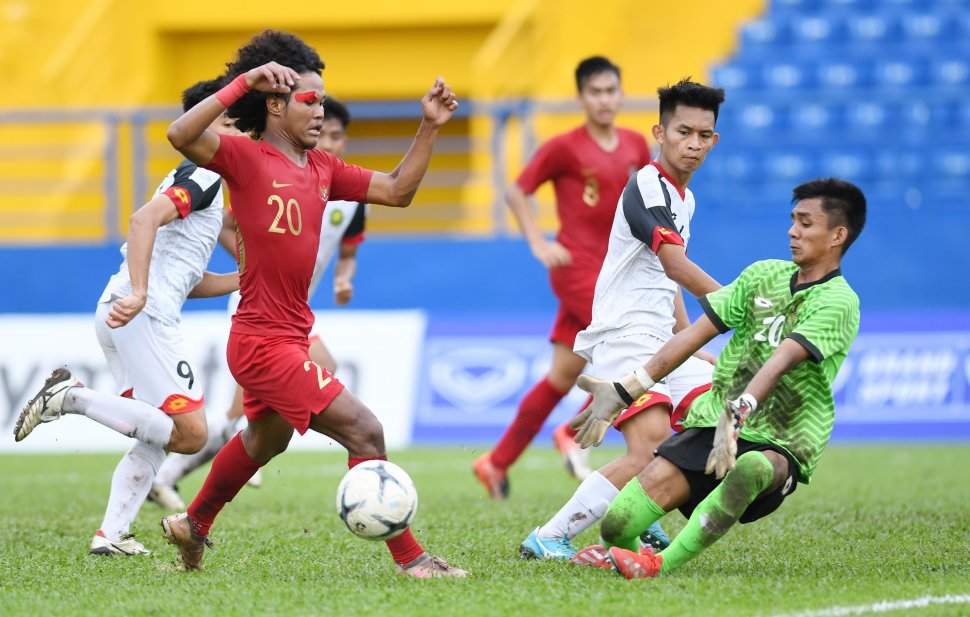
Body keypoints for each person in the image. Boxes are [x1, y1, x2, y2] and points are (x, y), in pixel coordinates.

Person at [158, 30, 465, 578]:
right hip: (259, 342)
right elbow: (180, 132)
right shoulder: (243, 157)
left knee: (263, 440)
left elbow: (397, 190)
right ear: (275, 104)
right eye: (309, 99)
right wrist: (241, 84)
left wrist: (429, 128)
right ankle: (412, 560)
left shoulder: (322, 168)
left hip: (290, 336)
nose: (321, 110)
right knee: (365, 431)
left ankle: (193, 524)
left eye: (322, 99)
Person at [570, 178, 866, 579]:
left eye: (806, 223)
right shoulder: (762, 275)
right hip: (712, 424)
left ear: (838, 235)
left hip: (782, 438)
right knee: (617, 525)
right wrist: (627, 389)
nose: (792, 231)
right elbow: (692, 334)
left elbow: (782, 359)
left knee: (754, 469)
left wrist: (741, 409)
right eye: (793, 220)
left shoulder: (840, 301)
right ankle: (622, 552)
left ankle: (658, 565)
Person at [13, 78, 242, 556]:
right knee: (192, 433)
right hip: (142, 315)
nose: (237, 133)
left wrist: (242, 279)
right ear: (202, 127)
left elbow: (183, 278)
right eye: (226, 122)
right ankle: (70, 396)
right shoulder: (204, 175)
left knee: (157, 434)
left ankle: (110, 535)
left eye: (240, 124)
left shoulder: (200, 181)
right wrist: (140, 293)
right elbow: (143, 221)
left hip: (127, 310)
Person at [518, 78, 725, 560]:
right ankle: (549, 536)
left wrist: (692, 341)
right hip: (625, 336)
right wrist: (740, 301)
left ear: (714, 139)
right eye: (683, 132)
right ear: (659, 132)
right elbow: (676, 265)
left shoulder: (684, 199)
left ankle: (641, 517)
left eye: (704, 135)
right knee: (646, 452)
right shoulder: (647, 185)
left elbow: (668, 281)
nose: (693, 144)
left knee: (714, 407)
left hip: (658, 340)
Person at [149, 96, 367, 509]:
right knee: (269, 407)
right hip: (259, 307)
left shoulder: (348, 196)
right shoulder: (279, 178)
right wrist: (254, 268)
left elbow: (350, 252)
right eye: (330, 135)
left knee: (255, 419)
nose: (334, 144)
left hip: (295, 312)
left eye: (341, 137)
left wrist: (343, 278)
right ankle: (170, 476)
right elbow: (227, 223)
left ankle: (188, 488)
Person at [473, 56, 651, 499]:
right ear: (581, 98)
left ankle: (495, 463)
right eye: (595, 92)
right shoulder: (563, 147)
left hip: (617, 273)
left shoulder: (634, 144)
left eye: (611, 91)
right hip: (577, 271)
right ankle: (572, 436)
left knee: (560, 377)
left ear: (621, 94)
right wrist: (537, 241)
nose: (605, 100)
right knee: (637, 344)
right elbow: (517, 190)